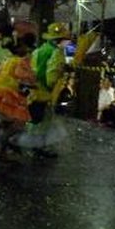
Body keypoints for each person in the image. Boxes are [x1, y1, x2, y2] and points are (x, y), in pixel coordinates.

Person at [14, 22, 71, 158]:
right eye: (65, 39)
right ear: (59, 40)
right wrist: (52, 88)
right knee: (43, 121)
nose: (67, 42)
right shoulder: (56, 52)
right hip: (44, 91)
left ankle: (32, 146)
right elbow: (52, 75)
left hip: (34, 89)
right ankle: (37, 148)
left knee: (34, 119)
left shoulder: (39, 50)